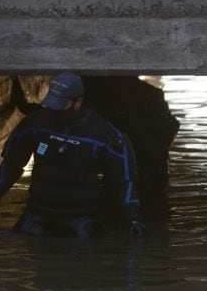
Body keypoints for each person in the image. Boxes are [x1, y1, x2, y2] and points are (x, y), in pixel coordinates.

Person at [0, 72, 145, 239]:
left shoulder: (105, 136)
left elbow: (124, 181)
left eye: (61, 105)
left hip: (80, 218)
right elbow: (12, 164)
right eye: (52, 104)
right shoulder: (35, 125)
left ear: (78, 102)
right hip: (38, 213)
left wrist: (134, 220)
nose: (55, 111)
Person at [11, 75, 179, 204]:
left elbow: (45, 115)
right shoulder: (151, 96)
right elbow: (172, 126)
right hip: (151, 172)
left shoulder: (92, 98)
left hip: (125, 173)